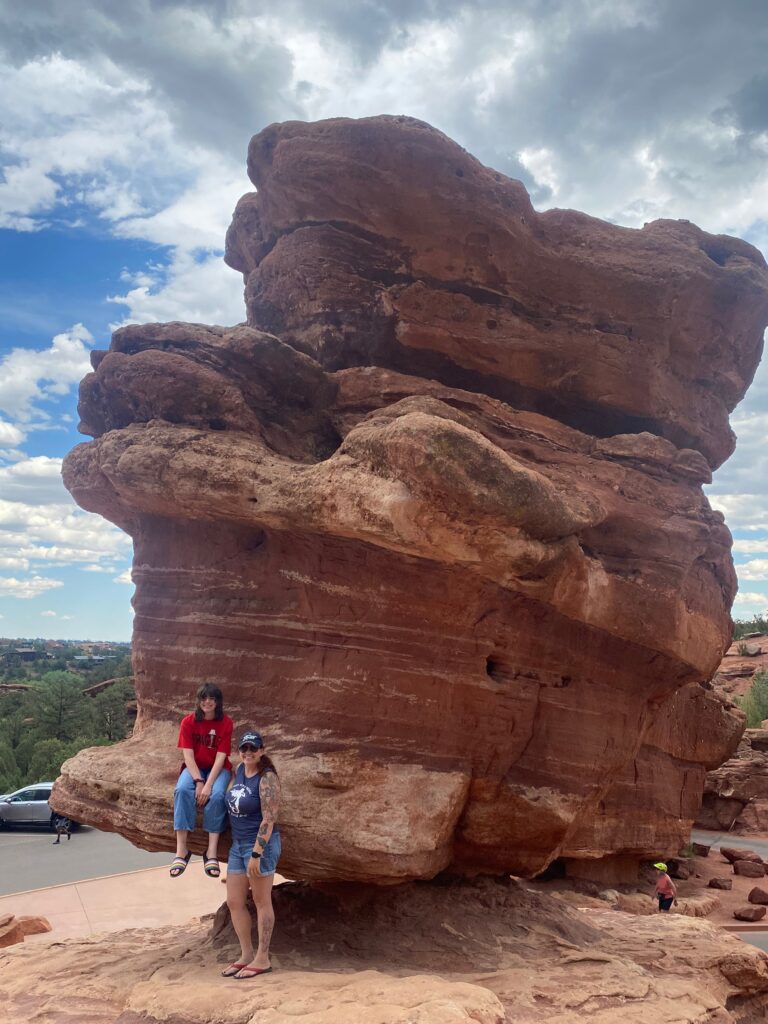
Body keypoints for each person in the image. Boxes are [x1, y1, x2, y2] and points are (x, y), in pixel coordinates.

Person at [221, 730, 281, 979]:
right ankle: (246, 954)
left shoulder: (267, 778)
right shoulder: (238, 772)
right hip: (237, 846)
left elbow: (269, 817)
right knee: (235, 901)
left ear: (261, 751)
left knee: (261, 901)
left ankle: (262, 958)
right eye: (244, 749)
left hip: (259, 847)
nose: (248, 753)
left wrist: (256, 853)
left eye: (252, 749)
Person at [170, 683, 233, 879]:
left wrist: (208, 785)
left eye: (212, 699)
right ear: (199, 700)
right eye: (204, 698)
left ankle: (211, 852)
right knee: (181, 791)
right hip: (194, 767)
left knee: (218, 796)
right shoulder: (188, 722)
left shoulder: (226, 723)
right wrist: (198, 781)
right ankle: (182, 850)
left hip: (218, 768)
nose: (208, 702)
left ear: (217, 702)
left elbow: (221, 758)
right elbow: (188, 756)